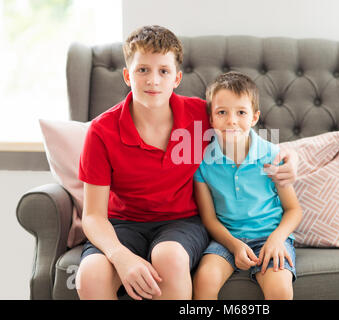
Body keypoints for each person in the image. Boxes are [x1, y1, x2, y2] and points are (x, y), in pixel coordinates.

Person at [75, 25, 298, 300]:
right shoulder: (101, 131)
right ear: (127, 75)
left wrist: (291, 158)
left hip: (181, 222)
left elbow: (245, 131)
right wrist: (120, 256)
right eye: (142, 70)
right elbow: (94, 215)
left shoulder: (201, 116)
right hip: (122, 224)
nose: (153, 81)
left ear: (177, 78)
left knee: (169, 258)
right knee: (90, 276)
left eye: (163, 71)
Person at [193, 72, 303, 300]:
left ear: (254, 117)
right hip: (226, 239)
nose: (231, 120)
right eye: (222, 112)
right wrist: (233, 245)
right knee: (204, 280)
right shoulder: (203, 162)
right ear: (211, 119)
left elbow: (294, 209)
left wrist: (276, 239)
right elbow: (209, 219)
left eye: (241, 112)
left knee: (280, 290)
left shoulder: (271, 156)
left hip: (269, 237)